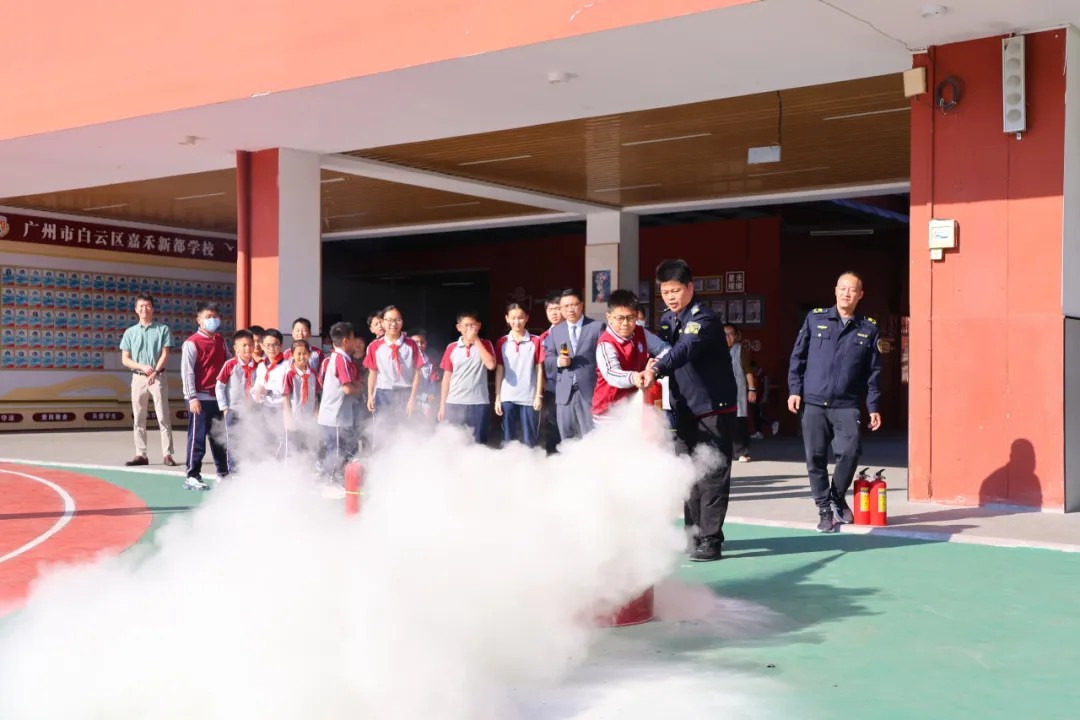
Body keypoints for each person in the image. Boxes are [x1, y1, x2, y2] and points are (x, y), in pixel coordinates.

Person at [642, 259, 738, 563]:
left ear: (690, 287)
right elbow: (662, 350)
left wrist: (657, 368)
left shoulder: (703, 319)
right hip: (683, 407)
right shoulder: (668, 320)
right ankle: (693, 534)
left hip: (713, 408)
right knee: (688, 474)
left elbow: (683, 350)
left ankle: (711, 539)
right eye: (665, 292)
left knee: (712, 474)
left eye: (675, 290)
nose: (670, 297)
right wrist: (650, 364)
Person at [787, 271, 883, 533]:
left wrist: (873, 406)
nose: (846, 293)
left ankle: (836, 496)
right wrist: (794, 390)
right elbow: (798, 356)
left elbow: (874, 372)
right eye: (842, 288)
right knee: (815, 458)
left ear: (860, 295)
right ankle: (824, 510)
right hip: (814, 403)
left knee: (851, 452)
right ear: (835, 290)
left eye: (852, 289)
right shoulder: (815, 318)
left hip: (846, 404)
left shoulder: (868, 328)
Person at [592, 290, 669, 425]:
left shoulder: (640, 332)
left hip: (635, 406)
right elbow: (611, 373)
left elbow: (665, 349)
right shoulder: (606, 343)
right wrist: (634, 377)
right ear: (609, 317)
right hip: (608, 411)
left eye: (631, 317)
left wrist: (655, 366)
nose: (625, 323)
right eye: (620, 318)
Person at [118, 294, 176, 467]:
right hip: (138, 377)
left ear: (153, 308)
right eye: (141, 306)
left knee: (163, 416)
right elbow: (125, 359)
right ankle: (141, 454)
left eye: (148, 305)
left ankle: (167, 454)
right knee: (138, 417)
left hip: (158, 377)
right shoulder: (130, 332)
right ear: (136, 309)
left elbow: (165, 354)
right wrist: (142, 367)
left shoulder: (163, 329)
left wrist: (155, 371)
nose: (145, 309)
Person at [542, 289, 603, 441]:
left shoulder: (596, 327)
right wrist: (558, 361)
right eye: (565, 306)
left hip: (589, 391)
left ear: (581, 305)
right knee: (567, 437)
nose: (570, 309)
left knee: (590, 436)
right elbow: (547, 360)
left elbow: (604, 358)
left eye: (574, 305)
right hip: (564, 393)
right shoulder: (556, 331)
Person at [180, 302, 230, 490]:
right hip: (199, 398)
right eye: (208, 317)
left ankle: (223, 473)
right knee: (197, 438)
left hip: (218, 398)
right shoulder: (192, 343)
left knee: (219, 437)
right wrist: (192, 397)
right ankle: (192, 475)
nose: (212, 320)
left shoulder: (220, 340)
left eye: (215, 316)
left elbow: (229, 364)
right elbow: (187, 372)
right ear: (198, 320)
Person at [364, 306, 422, 441]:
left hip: (405, 392)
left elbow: (417, 372)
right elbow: (373, 373)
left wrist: (412, 398)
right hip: (384, 393)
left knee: (406, 432)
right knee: (383, 431)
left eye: (397, 320)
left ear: (402, 322)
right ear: (383, 322)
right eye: (389, 320)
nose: (393, 324)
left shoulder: (411, 344)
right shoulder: (374, 346)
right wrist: (370, 395)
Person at [438, 311, 497, 444]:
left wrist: (476, 340)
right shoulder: (451, 347)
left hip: (479, 403)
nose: (469, 328)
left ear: (479, 326)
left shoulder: (486, 344)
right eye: (466, 325)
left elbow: (491, 365)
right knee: (454, 442)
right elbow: (447, 377)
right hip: (454, 402)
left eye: (473, 325)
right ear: (459, 327)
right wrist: (442, 405)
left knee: (478, 443)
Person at [494, 303, 543, 447]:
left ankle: (531, 460)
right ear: (507, 319)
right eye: (513, 318)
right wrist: (498, 398)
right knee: (509, 438)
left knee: (530, 439)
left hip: (529, 397)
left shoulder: (536, 341)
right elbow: (499, 371)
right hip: (508, 397)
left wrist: (538, 396)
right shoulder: (502, 342)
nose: (517, 322)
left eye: (520, 318)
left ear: (526, 318)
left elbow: (539, 369)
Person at [319, 322, 362, 481]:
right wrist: (362, 392)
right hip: (335, 416)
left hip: (338, 416)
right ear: (345, 341)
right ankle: (331, 480)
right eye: (353, 338)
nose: (355, 342)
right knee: (336, 452)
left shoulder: (341, 358)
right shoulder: (340, 359)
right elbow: (347, 389)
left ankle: (333, 479)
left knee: (337, 450)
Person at [215, 329, 258, 474]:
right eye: (244, 345)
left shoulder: (259, 366)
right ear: (236, 347)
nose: (247, 348)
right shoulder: (230, 364)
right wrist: (224, 408)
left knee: (251, 439)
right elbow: (219, 387)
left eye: (250, 345)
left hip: (252, 411)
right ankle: (234, 471)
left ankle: (249, 469)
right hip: (233, 410)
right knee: (233, 441)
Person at [251, 328, 290, 455]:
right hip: (266, 407)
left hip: (282, 408)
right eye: (268, 345)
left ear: (281, 345)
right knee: (267, 440)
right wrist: (257, 392)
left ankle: (285, 463)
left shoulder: (287, 365)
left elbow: (287, 389)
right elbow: (258, 386)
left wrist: (268, 391)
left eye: (275, 345)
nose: (271, 348)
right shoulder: (262, 366)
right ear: (262, 346)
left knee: (283, 439)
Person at [282, 339, 320, 458]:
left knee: (308, 446)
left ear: (309, 355)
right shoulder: (289, 374)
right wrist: (288, 417)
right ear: (292, 355)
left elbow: (315, 394)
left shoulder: (312, 373)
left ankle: (306, 466)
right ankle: (292, 467)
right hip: (295, 416)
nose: (302, 357)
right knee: (293, 447)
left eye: (305, 353)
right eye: (298, 354)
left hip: (308, 417)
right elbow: (285, 397)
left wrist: (316, 412)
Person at [724, 323, 755, 463]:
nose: (728, 337)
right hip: (721, 388)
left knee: (739, 421)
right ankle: (726, 452)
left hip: (738, 388)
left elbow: (748, 370)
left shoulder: (740, 350)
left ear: (736, 336)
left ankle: (742, 452)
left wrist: (752, 389)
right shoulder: (716, 349)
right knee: (723, 421)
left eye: (731, 334)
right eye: (725, 334)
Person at [537, 293, 564, 453]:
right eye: (550, 309)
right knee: (552, 426)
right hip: (552, 389)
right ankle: (552, 458)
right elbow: (540, 365)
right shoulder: (543, 337)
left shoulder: (573, 332)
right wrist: (543, 388)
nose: (554, 313)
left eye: (557, 308)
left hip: (573, 388)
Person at [410, 330, 441, 421]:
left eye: (422, 342)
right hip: (406, 401)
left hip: (425, 404)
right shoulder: (403, 362)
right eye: (416, 342)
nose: (419, 345)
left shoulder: (431, 363)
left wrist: (429, 400)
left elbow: (433, 386)